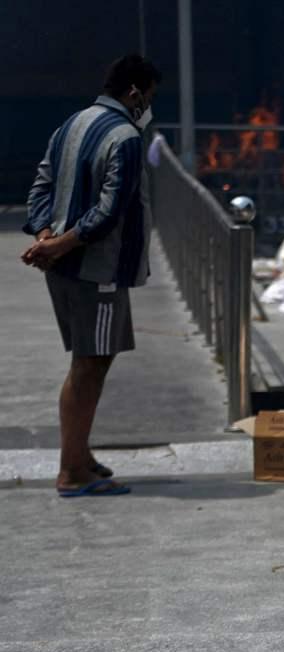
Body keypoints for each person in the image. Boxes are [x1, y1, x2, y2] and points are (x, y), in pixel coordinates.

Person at [21, 54, 160, 498]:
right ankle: (72, 471)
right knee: (90, 364)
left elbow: (40, 185)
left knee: (88, 360)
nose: (149, 107)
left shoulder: (72, 123)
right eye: (149, 98)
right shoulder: (127, 137)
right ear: (135, 92)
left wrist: (46, 236)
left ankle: (80, 456)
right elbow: (109, 210)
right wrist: (60, 245)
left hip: (62, 266)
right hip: (95, 268)